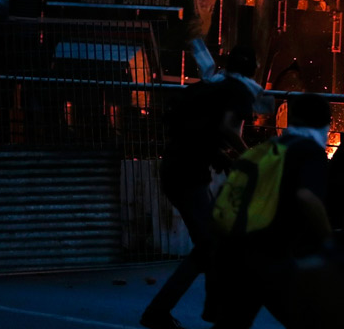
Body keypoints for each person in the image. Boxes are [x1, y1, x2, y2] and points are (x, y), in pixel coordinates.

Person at [140, 45, 256, 329]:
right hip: (188, 174)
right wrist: (250, 156)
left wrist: (219, 156)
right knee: (210, 244)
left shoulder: (210, 85)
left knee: (211, 243)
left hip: (177, 166)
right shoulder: (239, 91)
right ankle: (162, 312)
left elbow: (193, 129)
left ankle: (212, 311)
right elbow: (229, 128)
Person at [206, 92, 333, 329]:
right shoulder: (310, 152)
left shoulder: (267, 148)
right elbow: (307, 197)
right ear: (326, 123)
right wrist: (329, 240)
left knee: (232, 321)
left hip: (234, 249)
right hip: (272, 254)